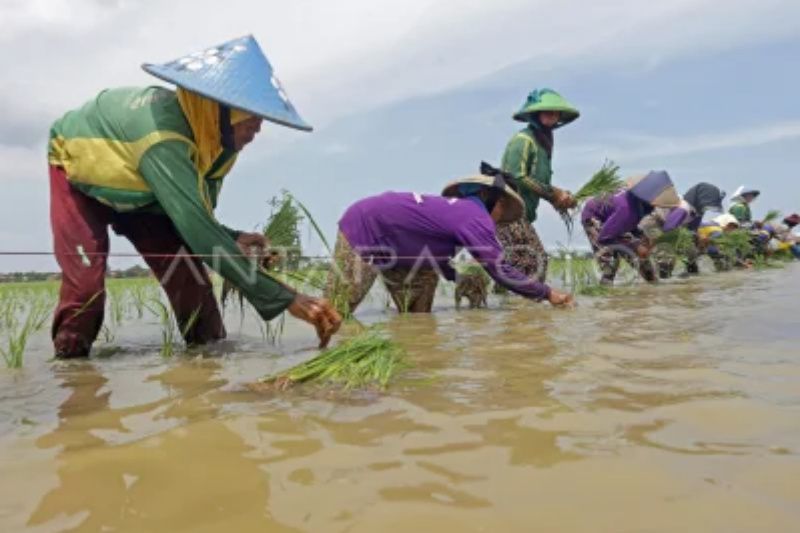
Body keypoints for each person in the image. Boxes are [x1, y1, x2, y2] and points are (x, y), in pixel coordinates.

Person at [48, 35, 341, 358]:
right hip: (80, 177)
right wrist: (288, 298)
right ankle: (71, 372)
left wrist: (234, 238)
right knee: (85, 289)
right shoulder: (163, 138)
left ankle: (207, 371)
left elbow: (197, 219)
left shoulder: (219, 147)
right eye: (251, 116)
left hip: (146, 197)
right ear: (216, 109)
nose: (257, 128)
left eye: (262, 118)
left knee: (193, 285)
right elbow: (196, 229)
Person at [324, 174, 574, 316]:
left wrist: (459, 277)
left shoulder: (458, 214)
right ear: (493, 203)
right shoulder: (474, 217)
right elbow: (500, 270)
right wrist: (548, 293)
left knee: (417, 322)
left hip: (406, 253)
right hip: (367, 227)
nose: (501, 218)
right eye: (502, 210)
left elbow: (436, 257)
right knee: (335, 313)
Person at [496, 88, 580, 282]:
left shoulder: (542, 143)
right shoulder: (523, 140)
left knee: (514, 267)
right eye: (547, 112)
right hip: (509, 214)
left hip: (522, 216)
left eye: (555, 113)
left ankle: (508, 307)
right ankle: (528, 310)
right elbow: (518, 177)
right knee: (535, 262)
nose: (552, 116)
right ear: (535, 114)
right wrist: (553, 194)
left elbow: (539, 183)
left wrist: (558, 200)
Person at [581, 171, 681, 284]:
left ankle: (653, 285)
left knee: (645, 263)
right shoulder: (626, 209)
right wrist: (636, 247)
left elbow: (631, 225)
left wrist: (641, 237)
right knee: (611, 262)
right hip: (594, 218)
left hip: (614, 221)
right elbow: (604, 237)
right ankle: (607, 291)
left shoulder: (641, 204)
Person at [638, 182, 725, 276]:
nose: (707, 208)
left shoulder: (698, 212)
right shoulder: (683, 208)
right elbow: (668, 229)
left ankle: (692, 277)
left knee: (691, 252)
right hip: (654, 223)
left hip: (670, 227)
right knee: (665, 254)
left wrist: (699, 239)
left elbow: (692, 230)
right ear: (700, 199)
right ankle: (661, 277)